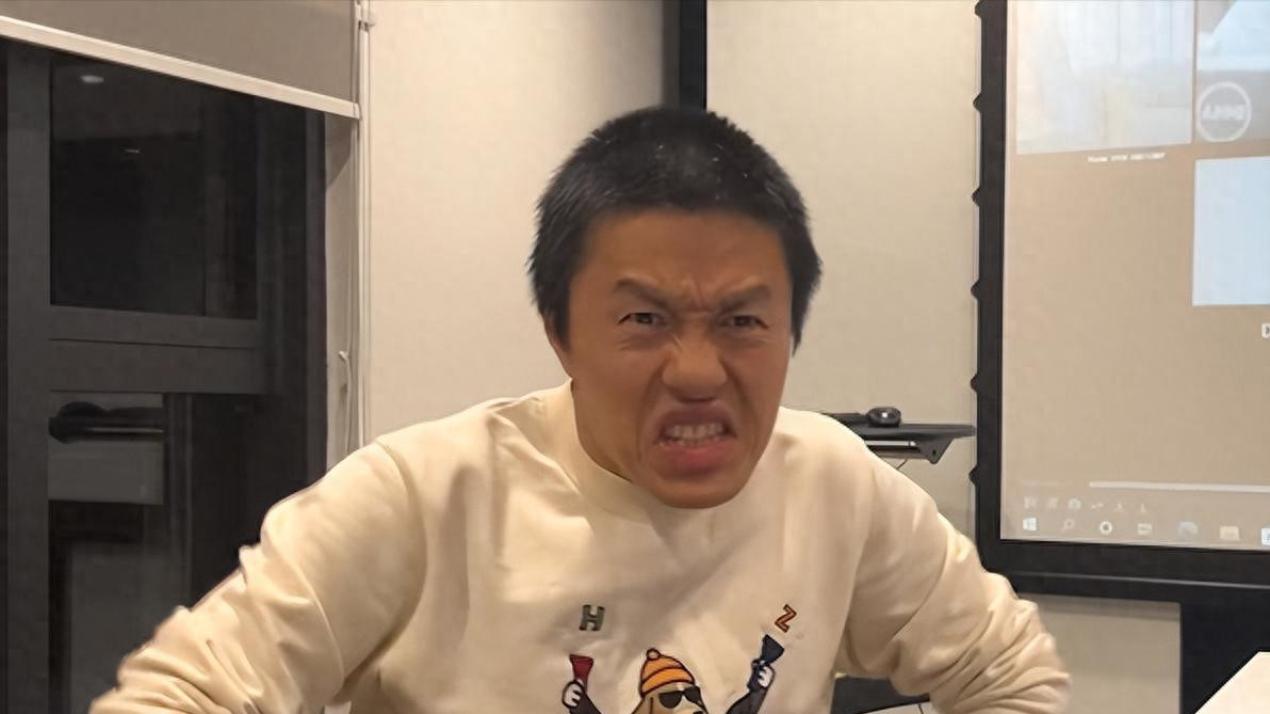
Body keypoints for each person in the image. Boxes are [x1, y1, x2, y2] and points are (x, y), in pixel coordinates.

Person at [91, 106, 1069, 714]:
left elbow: (1008, 672)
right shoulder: (423, 495)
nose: (698, 371)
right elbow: (182, 695)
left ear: (790, 331)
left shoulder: (833, 483)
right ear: (560, 334)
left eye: (742, 321)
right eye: (645, 320)